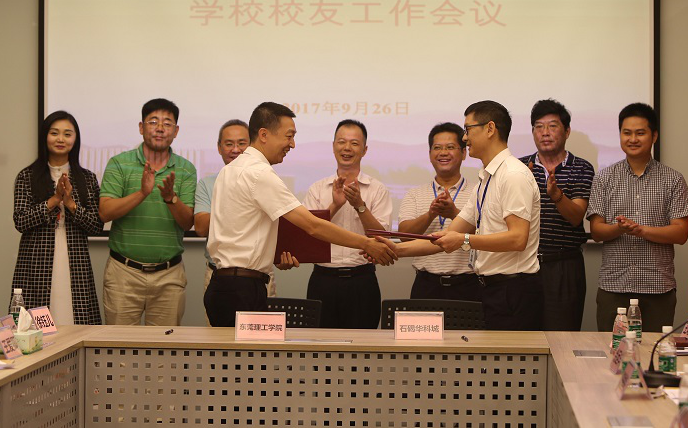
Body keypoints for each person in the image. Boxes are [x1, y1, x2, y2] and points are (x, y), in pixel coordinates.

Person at [204, 103, 397, 327]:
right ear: (264, 135)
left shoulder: (229, 170)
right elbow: (312, 225)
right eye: (289, 136)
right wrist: (366, 243)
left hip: (224, 284)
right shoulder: (259, 173)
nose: (292, 144)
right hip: (242, 289)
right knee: (247, 351)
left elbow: (244, 230)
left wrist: (276, 255)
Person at [376, 101, 542, 331]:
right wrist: (396, 249)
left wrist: (465, 240)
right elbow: (448, 235)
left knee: (508, 355)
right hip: (492, 289)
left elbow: (517, 238)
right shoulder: (486, 181)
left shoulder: (513, 175)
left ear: (490, 129)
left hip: (513, 290)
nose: (465, 138)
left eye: (468, 129)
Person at [587, 102, 688, 332]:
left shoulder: (673, 179)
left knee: (655, 351)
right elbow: (596, 231)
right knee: (611, 350)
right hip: (614, 286)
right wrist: (620, 229)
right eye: (627, 133)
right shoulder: (604, 178)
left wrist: (641, 230)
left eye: (640, 133)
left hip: (658, 287)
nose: (633, 139)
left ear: (654, 136)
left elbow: (681, 233)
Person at [99, 98, 197, 326]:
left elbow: (187, 223)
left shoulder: (186, 169)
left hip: (169, 275)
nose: (160, 128)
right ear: (141, 128)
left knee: (164, 347)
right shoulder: (119, 164)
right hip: (124, 272)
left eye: (167, 123)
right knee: (119, 346)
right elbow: (105, 212)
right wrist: (142, 193)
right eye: (153, 122)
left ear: (176, 131)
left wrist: (171, 199)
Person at [11, 111, 103, 325]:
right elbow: (21, 221)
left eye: (67, 134)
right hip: (35, 261)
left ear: (75, 140)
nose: (61, 139)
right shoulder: (27, 176)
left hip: (75, 260)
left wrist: (70, 204)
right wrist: (53, 200)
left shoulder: (87, 178)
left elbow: (96, 226)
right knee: (35, 328)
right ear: (45, 136)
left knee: (76, 320)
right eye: (54, 133)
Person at [304, 119, 393, 329]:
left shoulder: (377, 189)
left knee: (363, 345)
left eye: (354, 143)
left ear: (364, 150)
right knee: (321, 346)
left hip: (361, 280)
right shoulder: (317, 189)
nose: (347, 148)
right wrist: (335, 205)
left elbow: (382, 238)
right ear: (333, 146)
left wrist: (360, 205)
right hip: (323, 280)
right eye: (342, 142)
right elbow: (308, 234)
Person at [519, 99, 594, 331]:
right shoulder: (519, 168)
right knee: (523, 336)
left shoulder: (581, 168)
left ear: (567, 131)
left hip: (563, 265)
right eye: (539, 127)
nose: (545, 133)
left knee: (562, 338)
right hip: (523, 264)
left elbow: (576, 217)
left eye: (552, 126)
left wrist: (557, 196)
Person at [194, 120, 277, 325]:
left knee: (262, 340)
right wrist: (238, 208)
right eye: (229, 144)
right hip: (218, 274)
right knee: (217, 342)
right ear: (219, 147)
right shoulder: (208, 183)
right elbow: (201, 227)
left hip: (258, 276)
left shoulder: (263, 178)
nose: (236, 149)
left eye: (242, 143)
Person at [398, 122, 481, 301]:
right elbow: (404, 236)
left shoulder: (478, 191)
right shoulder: (415, 194)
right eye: (437, 148)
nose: (443, 152)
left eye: (450, 147)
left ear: (464, 153)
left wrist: (454, 213)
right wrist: (430, 214)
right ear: (430, 154)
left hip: (469, 285)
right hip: (426, 285)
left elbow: (486, 233)